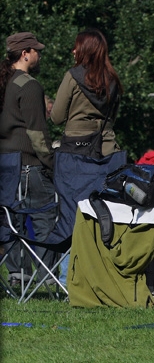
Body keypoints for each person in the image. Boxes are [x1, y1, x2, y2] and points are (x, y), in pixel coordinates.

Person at [0, 32, 57, 285]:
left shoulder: (4, 83)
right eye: (36, 50)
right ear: (25, 54)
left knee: (11, 223)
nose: (39, 55)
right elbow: (37, 135)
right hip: (28, 166)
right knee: (46, 221)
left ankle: (18, 275)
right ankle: (48, 277)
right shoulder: (29, 85)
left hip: (4, 165)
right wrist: (52, 164)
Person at [51, 28, 123, 156]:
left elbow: (57, 117)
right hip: (107, 148)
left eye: (76, 47)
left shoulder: (72, 76)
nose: (73, 51)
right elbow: (113, 117)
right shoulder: (113, 80)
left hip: (76, 148)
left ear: (86, 50)